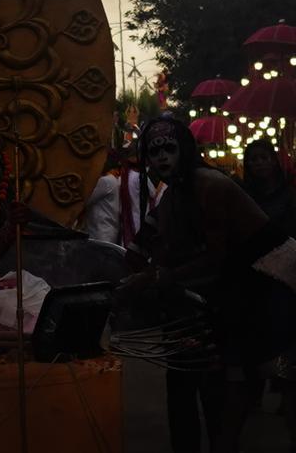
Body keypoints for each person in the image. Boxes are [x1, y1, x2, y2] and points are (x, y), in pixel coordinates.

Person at [125, 118, 294, 453]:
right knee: (217, 380)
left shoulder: (209, 184)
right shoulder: (176, 192)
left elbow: (218, 258)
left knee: (268, 376)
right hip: (229, 292)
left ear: (185, 150)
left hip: (273, 287)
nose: (161, 158)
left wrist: (162, 277)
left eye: (168, 149)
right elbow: (148, 241)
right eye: (153, 152)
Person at [243, 139, 296, 451]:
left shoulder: (288, 197)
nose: (260, 164)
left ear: (274, 162)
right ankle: (255, 389)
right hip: (253, 275)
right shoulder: (245, 196)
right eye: (254, 159)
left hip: (283, 274)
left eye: (264, 158)